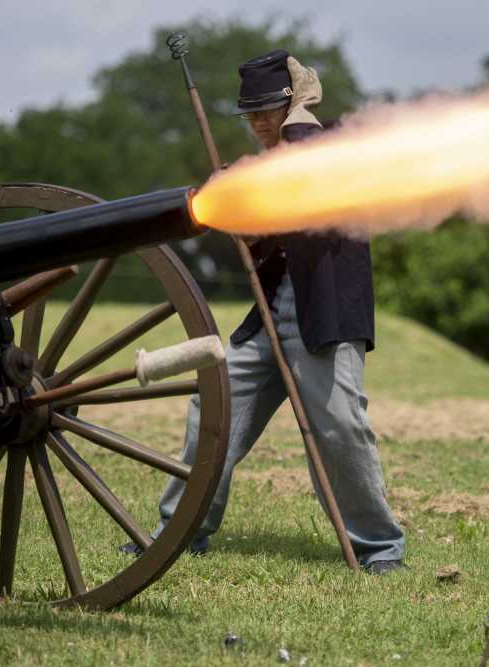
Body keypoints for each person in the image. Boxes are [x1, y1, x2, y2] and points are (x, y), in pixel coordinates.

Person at [124, 49, 405, 574]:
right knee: (213, 409)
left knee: (341, 428)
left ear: (292, 103)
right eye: (249, 113)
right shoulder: (259, 169)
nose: (257, 122)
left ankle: (379, 549)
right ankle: (179, 531)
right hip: (269, 316)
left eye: (268, 111)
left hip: (324, 314)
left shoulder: (324, 145)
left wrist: (298, 121)